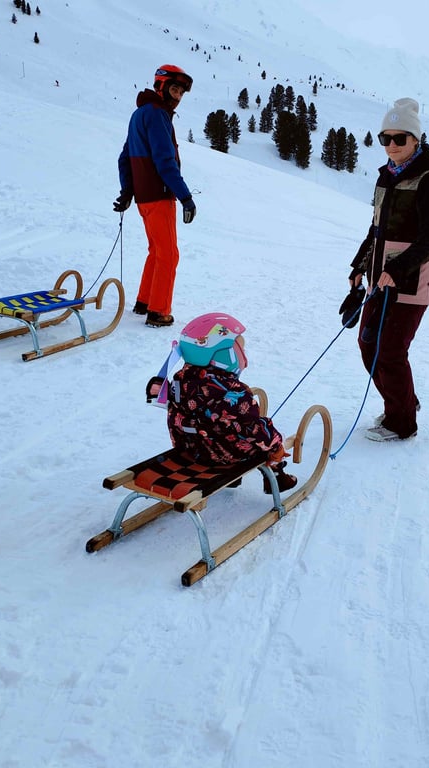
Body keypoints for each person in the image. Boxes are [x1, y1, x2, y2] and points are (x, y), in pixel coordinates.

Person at [348, 98, 429, 442]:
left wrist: (399, 267)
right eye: (385, 138)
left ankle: (401, 423)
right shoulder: (386, 177)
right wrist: (360, 266)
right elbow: (374, 229)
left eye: (399, 138)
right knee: (367, 344)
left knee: (390, 350)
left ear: (416, 140)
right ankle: (403, 402)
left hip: (412, 279)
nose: (391, 145)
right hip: (380, 275)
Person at [166, 313, 297, 493]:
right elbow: (255, 430)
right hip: (225, 457)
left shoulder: (179, 383)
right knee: (265, 442)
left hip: (191, 450)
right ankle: (276, 476)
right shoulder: (233, 394)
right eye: (239, 349)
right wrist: (276, 444)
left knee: (216, 425)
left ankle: (234, 478)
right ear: (224, 355)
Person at [114, 65, 197, 328]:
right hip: (159, 195)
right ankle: (158, 311)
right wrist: (185, 196)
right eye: (174, 89)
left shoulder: (139, 114)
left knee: (157, 250)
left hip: (144, 198)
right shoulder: (158, 115)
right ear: (160, 86)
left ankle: (144, 301)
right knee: (169, 254)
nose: (178, 96)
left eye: (182, 92)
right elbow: (164, 161)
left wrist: (128, 191)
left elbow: (125, 157)